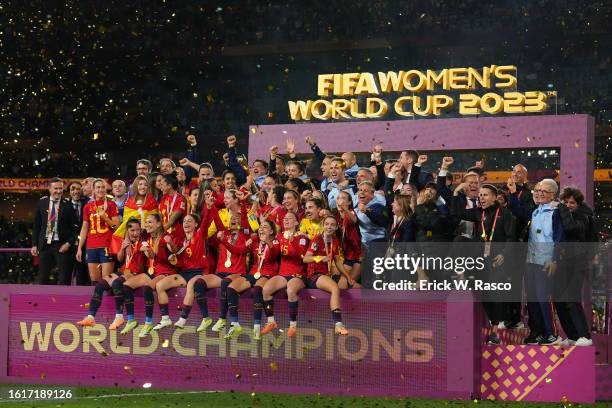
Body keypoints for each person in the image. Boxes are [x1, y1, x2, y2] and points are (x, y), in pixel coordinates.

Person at [453, 184, 517, 344]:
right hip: (479, 257)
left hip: (496, 259)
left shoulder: (505, 214)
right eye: (480, 195)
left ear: (495, 197)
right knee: (460, 240)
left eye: (485, 195)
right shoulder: (477, 213)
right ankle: (460, 272)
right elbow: (455, 212)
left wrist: (504, 254)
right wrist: (456, 193)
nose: (481, 198)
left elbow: (511, 238)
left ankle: (495, 332)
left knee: (491, 295)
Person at [507, 178, 565, 345]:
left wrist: (555, 260)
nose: (539, 193)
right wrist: (512, 193)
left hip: (546, 262)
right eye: (537, 190)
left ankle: (552, 334)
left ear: (553, 195)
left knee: (543, 298)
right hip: (530, 261)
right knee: (532, 299)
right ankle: (537, 332)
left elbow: (560, 239)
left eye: (543, 191)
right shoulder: (535, 211)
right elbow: (517, 210)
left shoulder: (556, 212)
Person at [77, 217, 145, 329]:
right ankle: (90, 317)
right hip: (124, 271)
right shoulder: (126, 242)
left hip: (136, 273)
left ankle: (119, 317)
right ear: (127, 231)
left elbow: (143, 265)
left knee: (117, 283)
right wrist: (122, 248)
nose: (135, 233)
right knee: (100, 284)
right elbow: (119, 259)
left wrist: (142, 251)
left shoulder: (143, 243)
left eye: (138, 230)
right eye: (132, 230)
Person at [121, 213, 177, 337]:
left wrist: (170, 244)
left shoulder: (165, 237)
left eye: (150, 222)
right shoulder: (146, 236)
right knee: (126, 286)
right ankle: (131, 320)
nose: (147, 224)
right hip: (151, 271)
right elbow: (129, 229)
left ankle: (148, 322)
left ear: (158, 224)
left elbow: (174, 252)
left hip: (164, 272)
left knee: (147, 288)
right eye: (146, 222)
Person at [223, 219, 280, 340]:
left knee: (257, 289)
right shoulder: (255, 243)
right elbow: (238, 250)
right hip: (254, 273)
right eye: (260, 227)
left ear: (271, 231)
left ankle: (257, 326)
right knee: (231, 288)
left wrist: (268, 242)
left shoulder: (275, 242)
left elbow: (274, 254)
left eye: (265, 227)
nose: (261, 229)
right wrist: (223, 241)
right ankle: (234, 323)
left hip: (268, 274)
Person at [152, 213, 209, 331]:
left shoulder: (200, 235)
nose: (186, 223)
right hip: (184, 273)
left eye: (189, 221)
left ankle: (183, 319)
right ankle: (165, 318)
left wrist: (208, 208)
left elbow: (206, 220)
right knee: (160, 285)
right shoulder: (182, 241)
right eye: (184, 221)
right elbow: (180, 263)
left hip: (198, 272)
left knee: (191, 286)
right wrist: (174, 261)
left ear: (196, 224)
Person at [555, 187, 594, 346]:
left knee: (572, 298)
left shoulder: (583, 216)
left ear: (578, 204)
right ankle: (572, 335)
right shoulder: (564, 214)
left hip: (577, 262)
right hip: (563, 262)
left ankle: (585, 336)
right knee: (559, 299)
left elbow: (571, 228)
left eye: (571, 202)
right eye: (565, 202)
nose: (568, 205)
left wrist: (562, 209)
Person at [260, 212, 309, 337]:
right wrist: (269, 244)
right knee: (266, 289)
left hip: (297, 274)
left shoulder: (302, 237)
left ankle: (293, 325)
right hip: (283, 273)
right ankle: (271, 321)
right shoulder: (279, 236)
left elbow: (302, 257)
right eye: (284, 218)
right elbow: (273, 256)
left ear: (297, 222)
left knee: (291, 290)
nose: (285, 220)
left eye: (289, 218)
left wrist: (293, 241)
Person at [303, 215, 352, 335]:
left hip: (327, 274)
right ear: (323, 226)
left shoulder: (335, 241)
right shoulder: (317, 239)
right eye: (327, 224)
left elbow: (338, 261)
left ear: (336, 227)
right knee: (335, 288)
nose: (329, 227)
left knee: (348, 285)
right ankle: (338, 324)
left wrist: (348, 277)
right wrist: (319, 258)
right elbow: (305, 259)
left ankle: (336, 308)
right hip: (315, 275)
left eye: (332, 225)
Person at [31, 177, 79, 285]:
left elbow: (75, 229)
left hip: (62, 246)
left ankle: (64, 301)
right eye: (56, 188)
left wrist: (68, 243)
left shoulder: (68, 204)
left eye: (61, 188)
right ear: (49, 189)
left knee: (64, 279)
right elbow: (37, 226)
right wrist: (34, 244)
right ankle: (43, 301)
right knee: (42, 278)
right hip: (44, 245)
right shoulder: (41, 203)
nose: (58, 191)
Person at [76, 179, 119, 283]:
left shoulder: (111, 204)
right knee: (94, 279)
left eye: (103, 187)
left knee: (106, 279)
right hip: (91, 246)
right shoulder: (87, 207)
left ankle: (109, 299)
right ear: (93, 190)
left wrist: (105, 217)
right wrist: (79, 248)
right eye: (98, 187)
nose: (101, 190)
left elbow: (116, 227)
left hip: (107, 245)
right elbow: (84, 228)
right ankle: (98, 299)